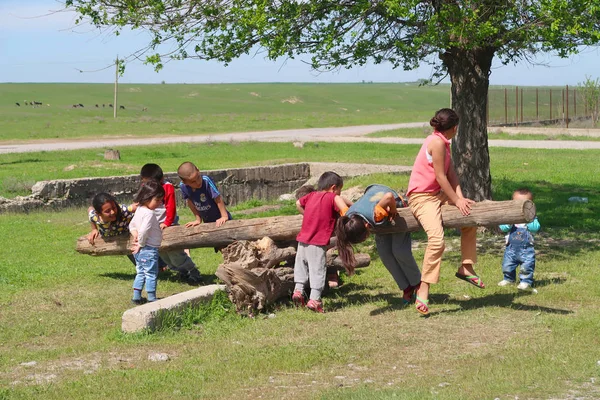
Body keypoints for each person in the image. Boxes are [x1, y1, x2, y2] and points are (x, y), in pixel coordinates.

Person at [407, 108, 483, 316]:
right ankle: (424, 288)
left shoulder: (445, 143)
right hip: (422, 197)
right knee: (436, 240)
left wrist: (460, 199)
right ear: (455, 127)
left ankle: (466, 267)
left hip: (437, 195)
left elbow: (452, 175)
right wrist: (455, 199)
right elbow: (441, 177)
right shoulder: (437, 143)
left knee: (470, 217)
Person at [335, 184, 422, 305]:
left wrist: (393, 210)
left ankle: (418, 285)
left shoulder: (375, 213)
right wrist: (353, 205)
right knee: (385, 255)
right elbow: (337, 198)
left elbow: (389, 196)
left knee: (400, 251)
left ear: (366, 227)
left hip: (394, 207)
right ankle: (406, 288)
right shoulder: (349, 217)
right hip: (378, 214)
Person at [292, 171, 352, 313]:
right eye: (339, 190)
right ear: (333, 188)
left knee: (301, 267)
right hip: (317, 242)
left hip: (302, 240)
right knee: (317, 270)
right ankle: (314, 300)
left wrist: (306, 214)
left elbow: (297, 203)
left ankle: (298, 291)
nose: (339, 193)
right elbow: (345, 209)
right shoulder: (332, 197)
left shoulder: (312, 195)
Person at [140, 163, 202, 285]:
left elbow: (171, 207)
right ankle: (182, 272)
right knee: (164, 254)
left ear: (160, 180)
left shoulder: (167, 187)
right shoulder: (146, 187)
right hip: (154, 228)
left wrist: (167, 223)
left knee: (175, 254)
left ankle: (193, 271)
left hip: (168, 225)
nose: (146, 185)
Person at [129, 180, 165, 304]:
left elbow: (132, 225)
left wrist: (135, 236)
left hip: (139, 250)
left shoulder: (139, 209)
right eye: (157, 200)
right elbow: (144, 231)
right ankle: (151, 297)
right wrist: (140, 243)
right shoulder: (149, 213)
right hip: (148, 249)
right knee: (151, 273)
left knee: (141, 272)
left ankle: (136, 297)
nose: (159, 203)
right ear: (147, 197)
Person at [498, 188, 541, 290]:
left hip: (526, 250)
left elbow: (535, 228)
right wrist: (509, 222)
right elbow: (502, 228)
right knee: (507, 265)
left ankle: (525, 281)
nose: (520, 206)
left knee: (527, 266)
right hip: (511, 248)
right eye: (517, 203)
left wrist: (529, 219)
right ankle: (508, 278)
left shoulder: (532, 218)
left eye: (525, 203)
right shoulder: (510, 217)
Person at [87, 192, 137, 266]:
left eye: (114, 207)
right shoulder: (95, 217)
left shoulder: (122, 210)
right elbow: (89, 209)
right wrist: (94, 229)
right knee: (137, 261)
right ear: (99, 213)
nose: (113, 212)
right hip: (118, 239)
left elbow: (136, 206)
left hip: (129, 234)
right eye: (107, 211)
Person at [177, 162, 232, 228]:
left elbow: (217, 198)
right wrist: (198, 219)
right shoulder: (183, 186)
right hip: (207, 221)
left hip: (220, 217)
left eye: (198, 177)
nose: (197, 182)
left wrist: (224, 216)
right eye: (193, 182)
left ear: (198, 170)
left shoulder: (206, 181)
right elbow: (190, 202)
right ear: (185, 182)